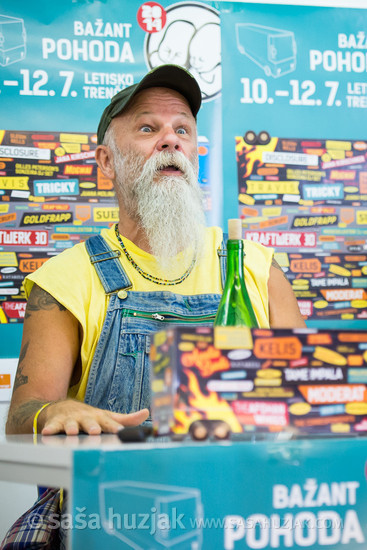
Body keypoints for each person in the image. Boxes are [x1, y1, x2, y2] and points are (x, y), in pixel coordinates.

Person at [5, 64, 305, 437]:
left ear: (195, 153)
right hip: (117, 493)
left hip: (239, 490)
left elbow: (305, 401)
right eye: (148, 128)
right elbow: (21, 417)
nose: (170, 140)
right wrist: (55, 411)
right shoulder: (64, 281)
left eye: (182, 129)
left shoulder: (257, 269)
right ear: (106, 161)